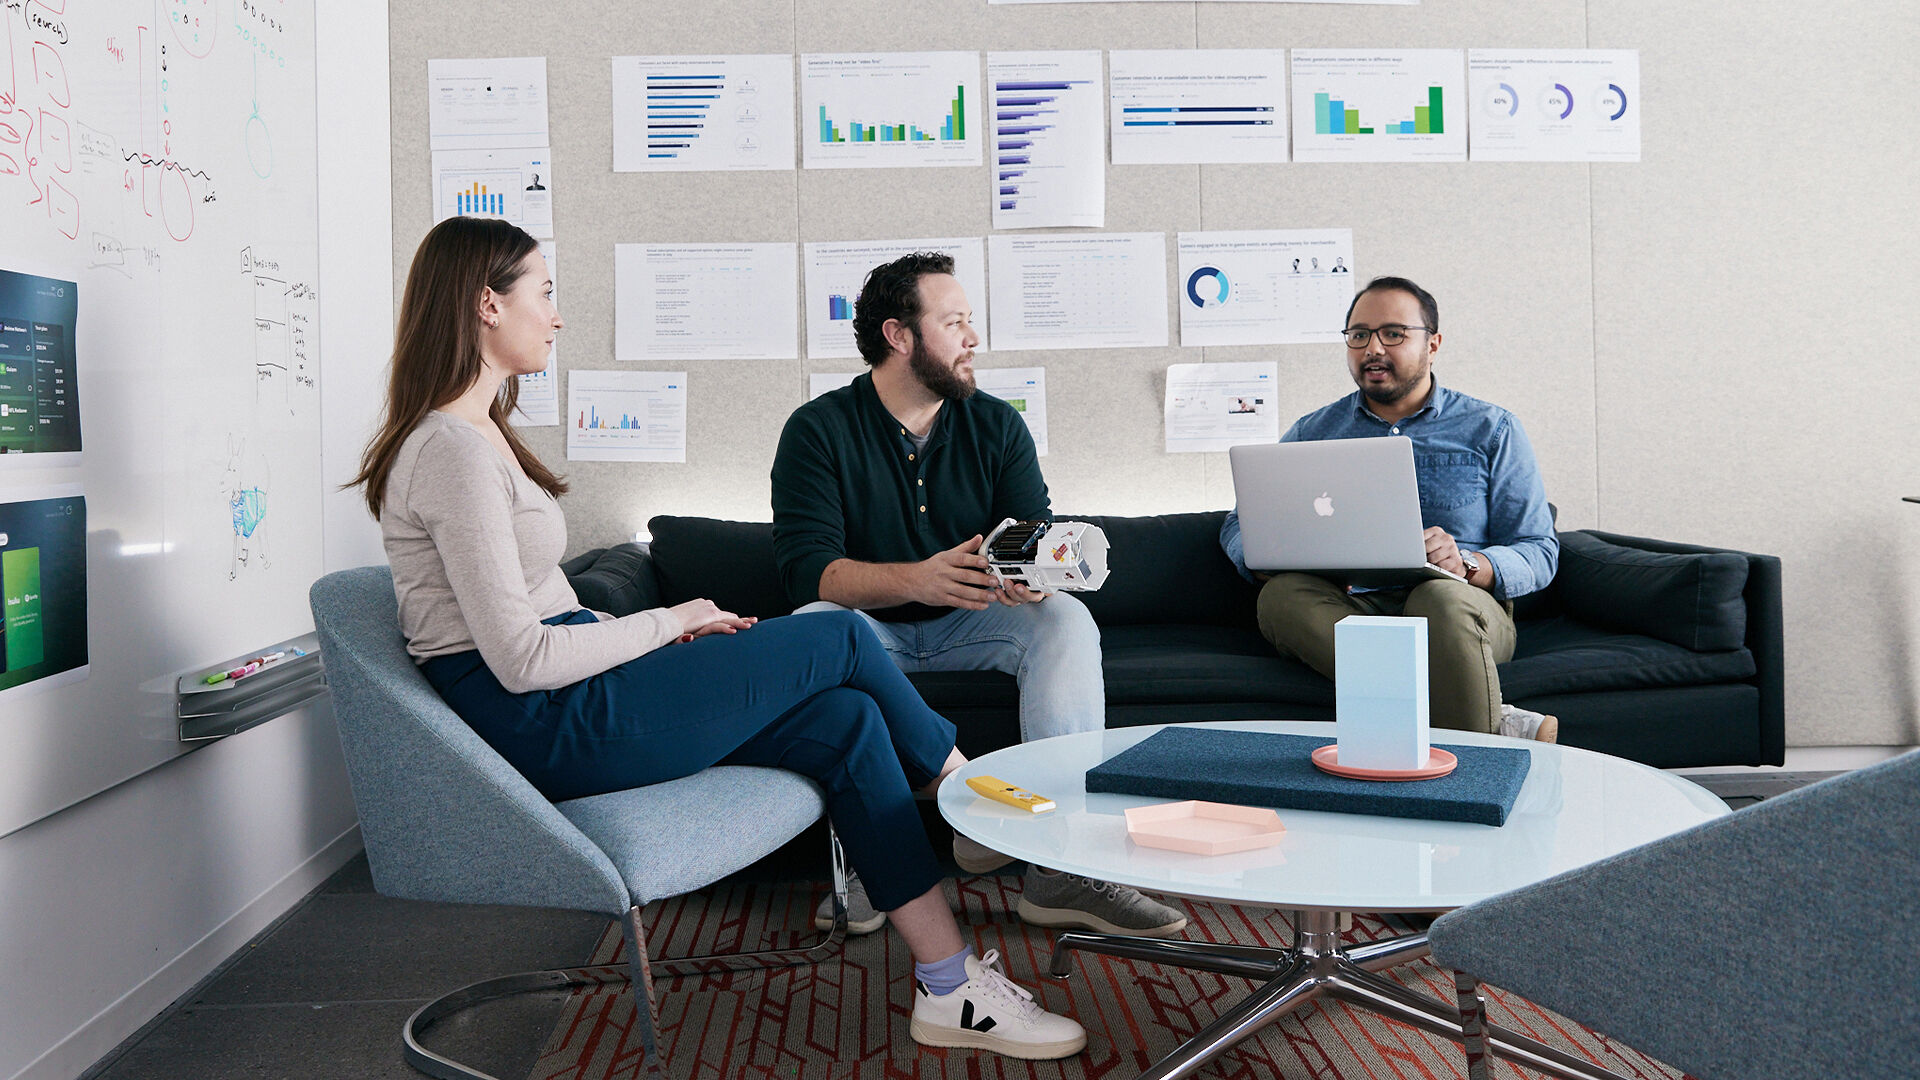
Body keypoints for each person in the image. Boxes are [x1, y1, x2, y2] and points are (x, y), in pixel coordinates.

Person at [349, 218, 1085, 1061]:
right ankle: (972, 793)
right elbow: (519, 660)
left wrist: (656, 637)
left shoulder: (480, 436)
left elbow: (546, 614)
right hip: (544, 721)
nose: (555, 315)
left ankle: (951, 988)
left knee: (846, 721)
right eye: (544, 293)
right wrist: (665, 621)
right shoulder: (449, 450)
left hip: (574, 691)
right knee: (841, 635)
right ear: (487, 304)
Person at [771, 252, 1187, 941]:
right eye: (955, 321)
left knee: (1066, 621)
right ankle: (878, 862)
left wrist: (1032, 574)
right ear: (900, 336)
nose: (973, 338)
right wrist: (917, 577)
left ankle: (1062, 869)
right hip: (868, 633)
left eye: (970, 321)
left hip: (977, 619)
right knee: (815, 625)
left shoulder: (996, 425)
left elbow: (1029, 532)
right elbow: (809, 573)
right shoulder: (818, 430)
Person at [1220, 275, 1561, 741]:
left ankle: (1473, 772)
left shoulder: (1492, 428)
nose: (1372, 349)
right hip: (1349, 606)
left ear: (1433, 344)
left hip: (1462, 611)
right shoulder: (1314, 430)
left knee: (1435, 597)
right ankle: (1489, 715)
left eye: (1393, 334)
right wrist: (1262, 554)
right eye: (1359, 335)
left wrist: (1470, 564)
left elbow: (1539, 548)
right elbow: (1238, 520)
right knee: (1281, 596)